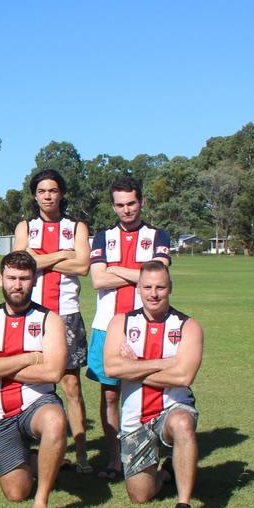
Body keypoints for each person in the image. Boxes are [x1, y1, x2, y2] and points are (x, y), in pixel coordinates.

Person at [0, 252, 67, 508]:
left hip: (37, 403)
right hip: (0, 415)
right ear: (0, 279)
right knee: (15, 493)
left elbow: (53, 372)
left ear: (33, 280)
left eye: (24, 278)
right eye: (11, 278)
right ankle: (44, 457)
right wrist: (28, 357)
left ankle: (41, 502)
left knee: (55, 420)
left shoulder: (50, 320)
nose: (17, 284)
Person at [102, 261, 203, 508]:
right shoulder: (121, 322)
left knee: (182, 423)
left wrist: (135, 366)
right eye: (147, 287)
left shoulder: (188, 326)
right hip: (135, 419)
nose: (154, 293)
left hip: (173, 407)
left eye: (160, 287)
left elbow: (183, 377)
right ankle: (169, 470)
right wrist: (165, 363)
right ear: (138, 289)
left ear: (170, 288)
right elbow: (111, 368)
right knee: (140, 495)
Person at [88, 177, 171, 480]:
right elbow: (98, 280)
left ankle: (148, 457)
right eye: (120, 204)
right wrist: (140, 273)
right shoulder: (102, 237)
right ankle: (115, 460)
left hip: (147, 327)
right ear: (113, 206)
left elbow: (158, 275)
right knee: (110, 396)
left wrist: (116, 270)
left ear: (141, 202)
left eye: (131, 203)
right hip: (106, 327)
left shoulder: (158, 235)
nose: (126, 210)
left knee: (147, 392)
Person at [14, 169, 93, 473]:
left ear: (61, 194)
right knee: (30, 382)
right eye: (42, 191)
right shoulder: (26, 226)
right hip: (32, 316)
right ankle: (29, 450)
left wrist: (41, 258)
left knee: (71, 385)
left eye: (53, 190)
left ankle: (83, 455)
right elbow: (23, 263)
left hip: (67, 314)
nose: (48, 196)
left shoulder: (76, 227)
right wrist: (62, 254)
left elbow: (84, 265)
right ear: (35, 196)